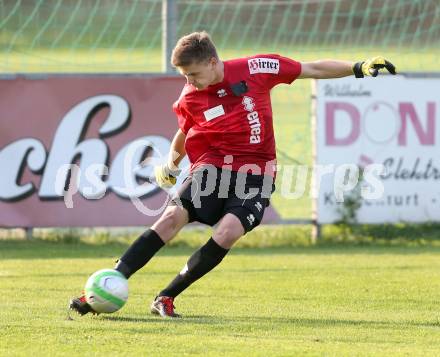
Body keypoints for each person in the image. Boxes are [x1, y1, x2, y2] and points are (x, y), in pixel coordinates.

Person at [70, 31, 396, 318]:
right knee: (170, 219)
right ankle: (105, 285)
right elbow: (185, 132)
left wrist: (358, 67)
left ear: (213, 62)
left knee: (227, 231)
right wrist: (171, 164)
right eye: (185, 75)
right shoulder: (190, 97)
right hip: (213, 164)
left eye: (194, 74)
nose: (190, 81)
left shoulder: (256, 68)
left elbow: (311, 68)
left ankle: (165, 297)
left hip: (257, 170)